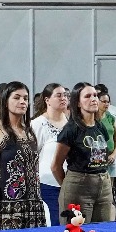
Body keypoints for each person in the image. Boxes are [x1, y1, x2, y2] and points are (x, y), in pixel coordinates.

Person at [0, 81, 48, 228]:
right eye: (16, 97)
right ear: (5, 102)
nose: (22, 101)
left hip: (33, 204)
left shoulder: (29, 130)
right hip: (6, 206)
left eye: (25, 98)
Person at [53, 82, 114, 223]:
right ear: (78, 103)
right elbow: (56, 166)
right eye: (87, 96)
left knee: (103, 230)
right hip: (79, 185)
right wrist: (70, 187)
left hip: (103, 184)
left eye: (95, 95)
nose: (93, 99)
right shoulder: (71, 129)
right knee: (77, 231)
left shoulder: (100, 126)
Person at [30, 82, 69, 221]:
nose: (63, 98)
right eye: (58, 95)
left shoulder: (70, 122)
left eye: (65, 95)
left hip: (69, 183)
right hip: (47, 184)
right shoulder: (37, 124)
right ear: (47, 100)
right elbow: (32, 155)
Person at [96, 86, 116, 219]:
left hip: (110, 157)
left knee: (110, 187)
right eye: (103, 101)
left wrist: (113, 154)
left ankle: (110, 212)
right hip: (97, 157)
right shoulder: (93, 118)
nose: (106, 104)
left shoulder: (110, 117)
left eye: (108, 102)